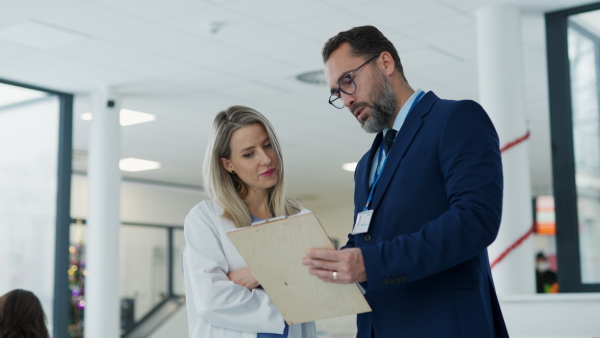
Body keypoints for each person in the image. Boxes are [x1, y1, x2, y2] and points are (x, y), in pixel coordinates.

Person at [302, 25, 509, 337]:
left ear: (385, 62)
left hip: (443, 326)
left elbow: (475, 220)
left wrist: (370, 264)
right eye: (336, 92)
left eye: (348, 81)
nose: (345, 100)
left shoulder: (455, 119)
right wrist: (315, 262)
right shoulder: (366, 165)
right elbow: (365, 241)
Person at [182, 105, 316, 338]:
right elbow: (212, 301)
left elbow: (320, 291)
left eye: (267, 145)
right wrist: (288, 296)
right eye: (248, 154)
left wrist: (259, 273)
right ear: (228, 164)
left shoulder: (300, 217)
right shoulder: (206, 219)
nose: (266, 159)